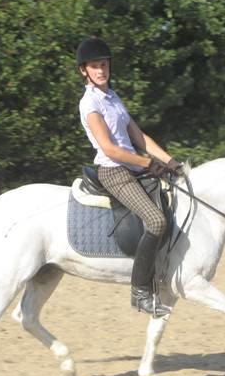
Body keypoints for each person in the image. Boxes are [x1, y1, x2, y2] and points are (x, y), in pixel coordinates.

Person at [76, 37, 183, 317]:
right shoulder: (90, 104)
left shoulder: (113, 97)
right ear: (83, 71)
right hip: (113, 171)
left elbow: (137, 136)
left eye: (104, 65)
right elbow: (110, 148)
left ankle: (162, 271)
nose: (101, 70)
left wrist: (169, 161)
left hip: (134, 166)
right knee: (156, 221)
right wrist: (148, 163)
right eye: (95, 66)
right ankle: (140, 292)